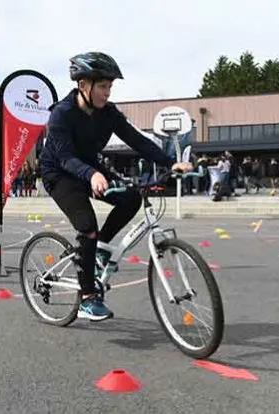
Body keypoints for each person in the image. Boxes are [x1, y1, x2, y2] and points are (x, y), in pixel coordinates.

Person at [39, 51, 193, 321]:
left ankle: (100, 249)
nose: (108, 92)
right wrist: (91, 175)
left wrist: (171, 162)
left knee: (131, 198)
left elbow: (137, 140)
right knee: (87, 227)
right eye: (102, 86)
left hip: (89, 169)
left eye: (110, 86)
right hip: (60, 174)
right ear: (83, 85)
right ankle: (87, 297)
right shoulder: (61, 114)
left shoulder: (108, 114)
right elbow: (65, 158)